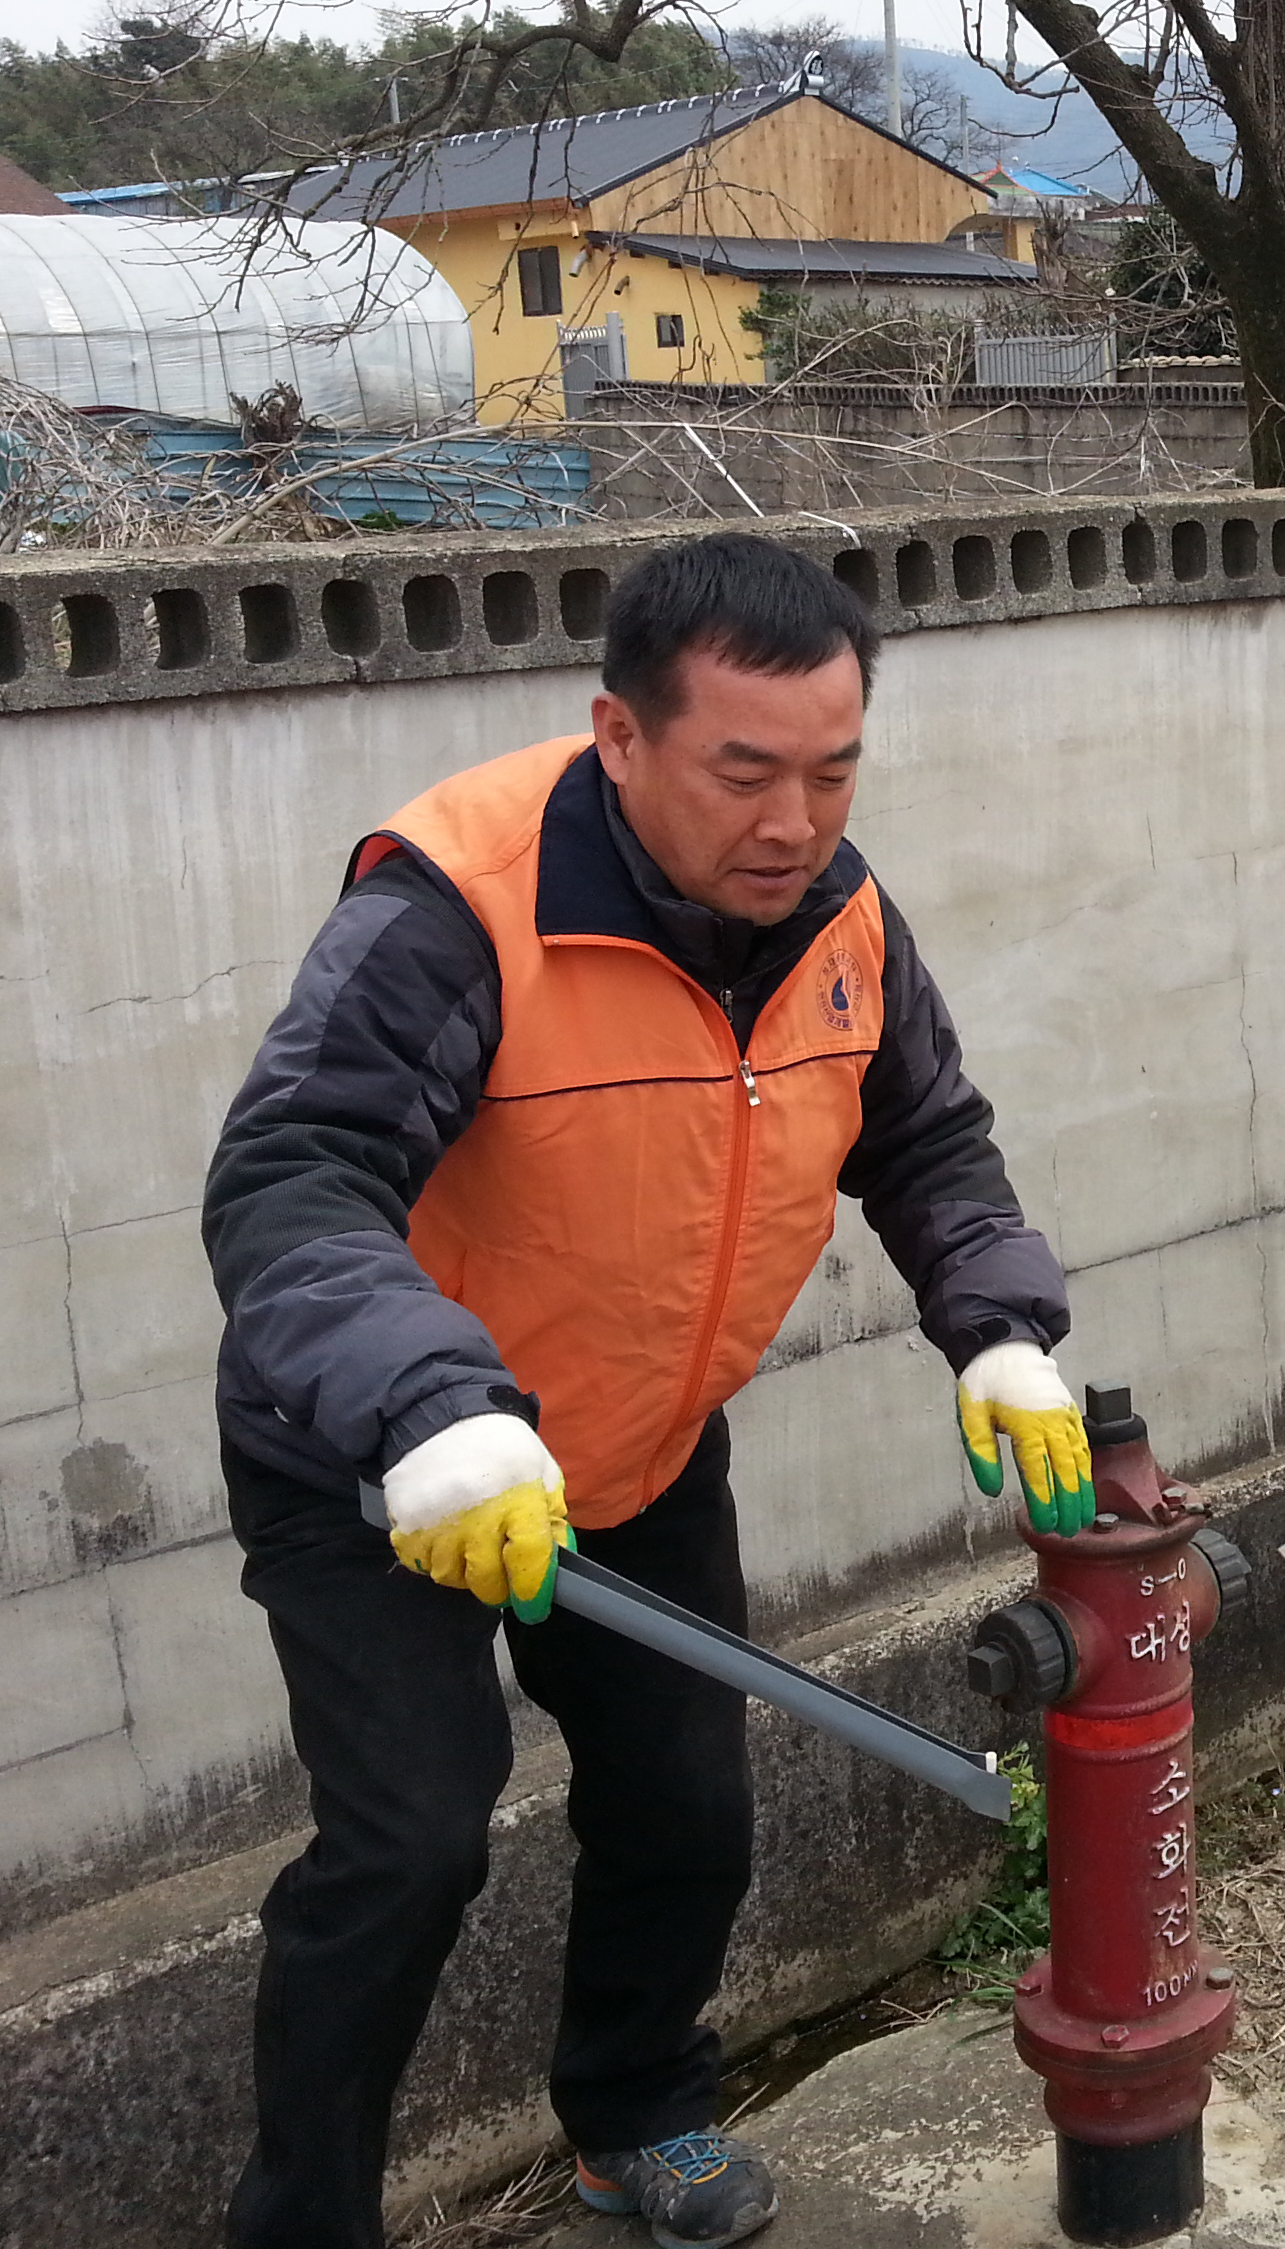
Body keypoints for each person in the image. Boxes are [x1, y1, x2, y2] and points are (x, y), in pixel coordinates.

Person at [204, 535, 1095, 2249]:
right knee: (408, 1844)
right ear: (620, 738)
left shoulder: (839, 915)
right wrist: (436, 1407)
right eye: (742, 772)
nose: (792, 821)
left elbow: (925, 1140)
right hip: (390, 1456)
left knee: (684, 1804)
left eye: (832, 772)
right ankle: (301, 2221)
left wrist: (994, 1323)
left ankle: (635, 2112)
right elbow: (292, 1178)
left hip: (630, 1434)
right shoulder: (454, 907)